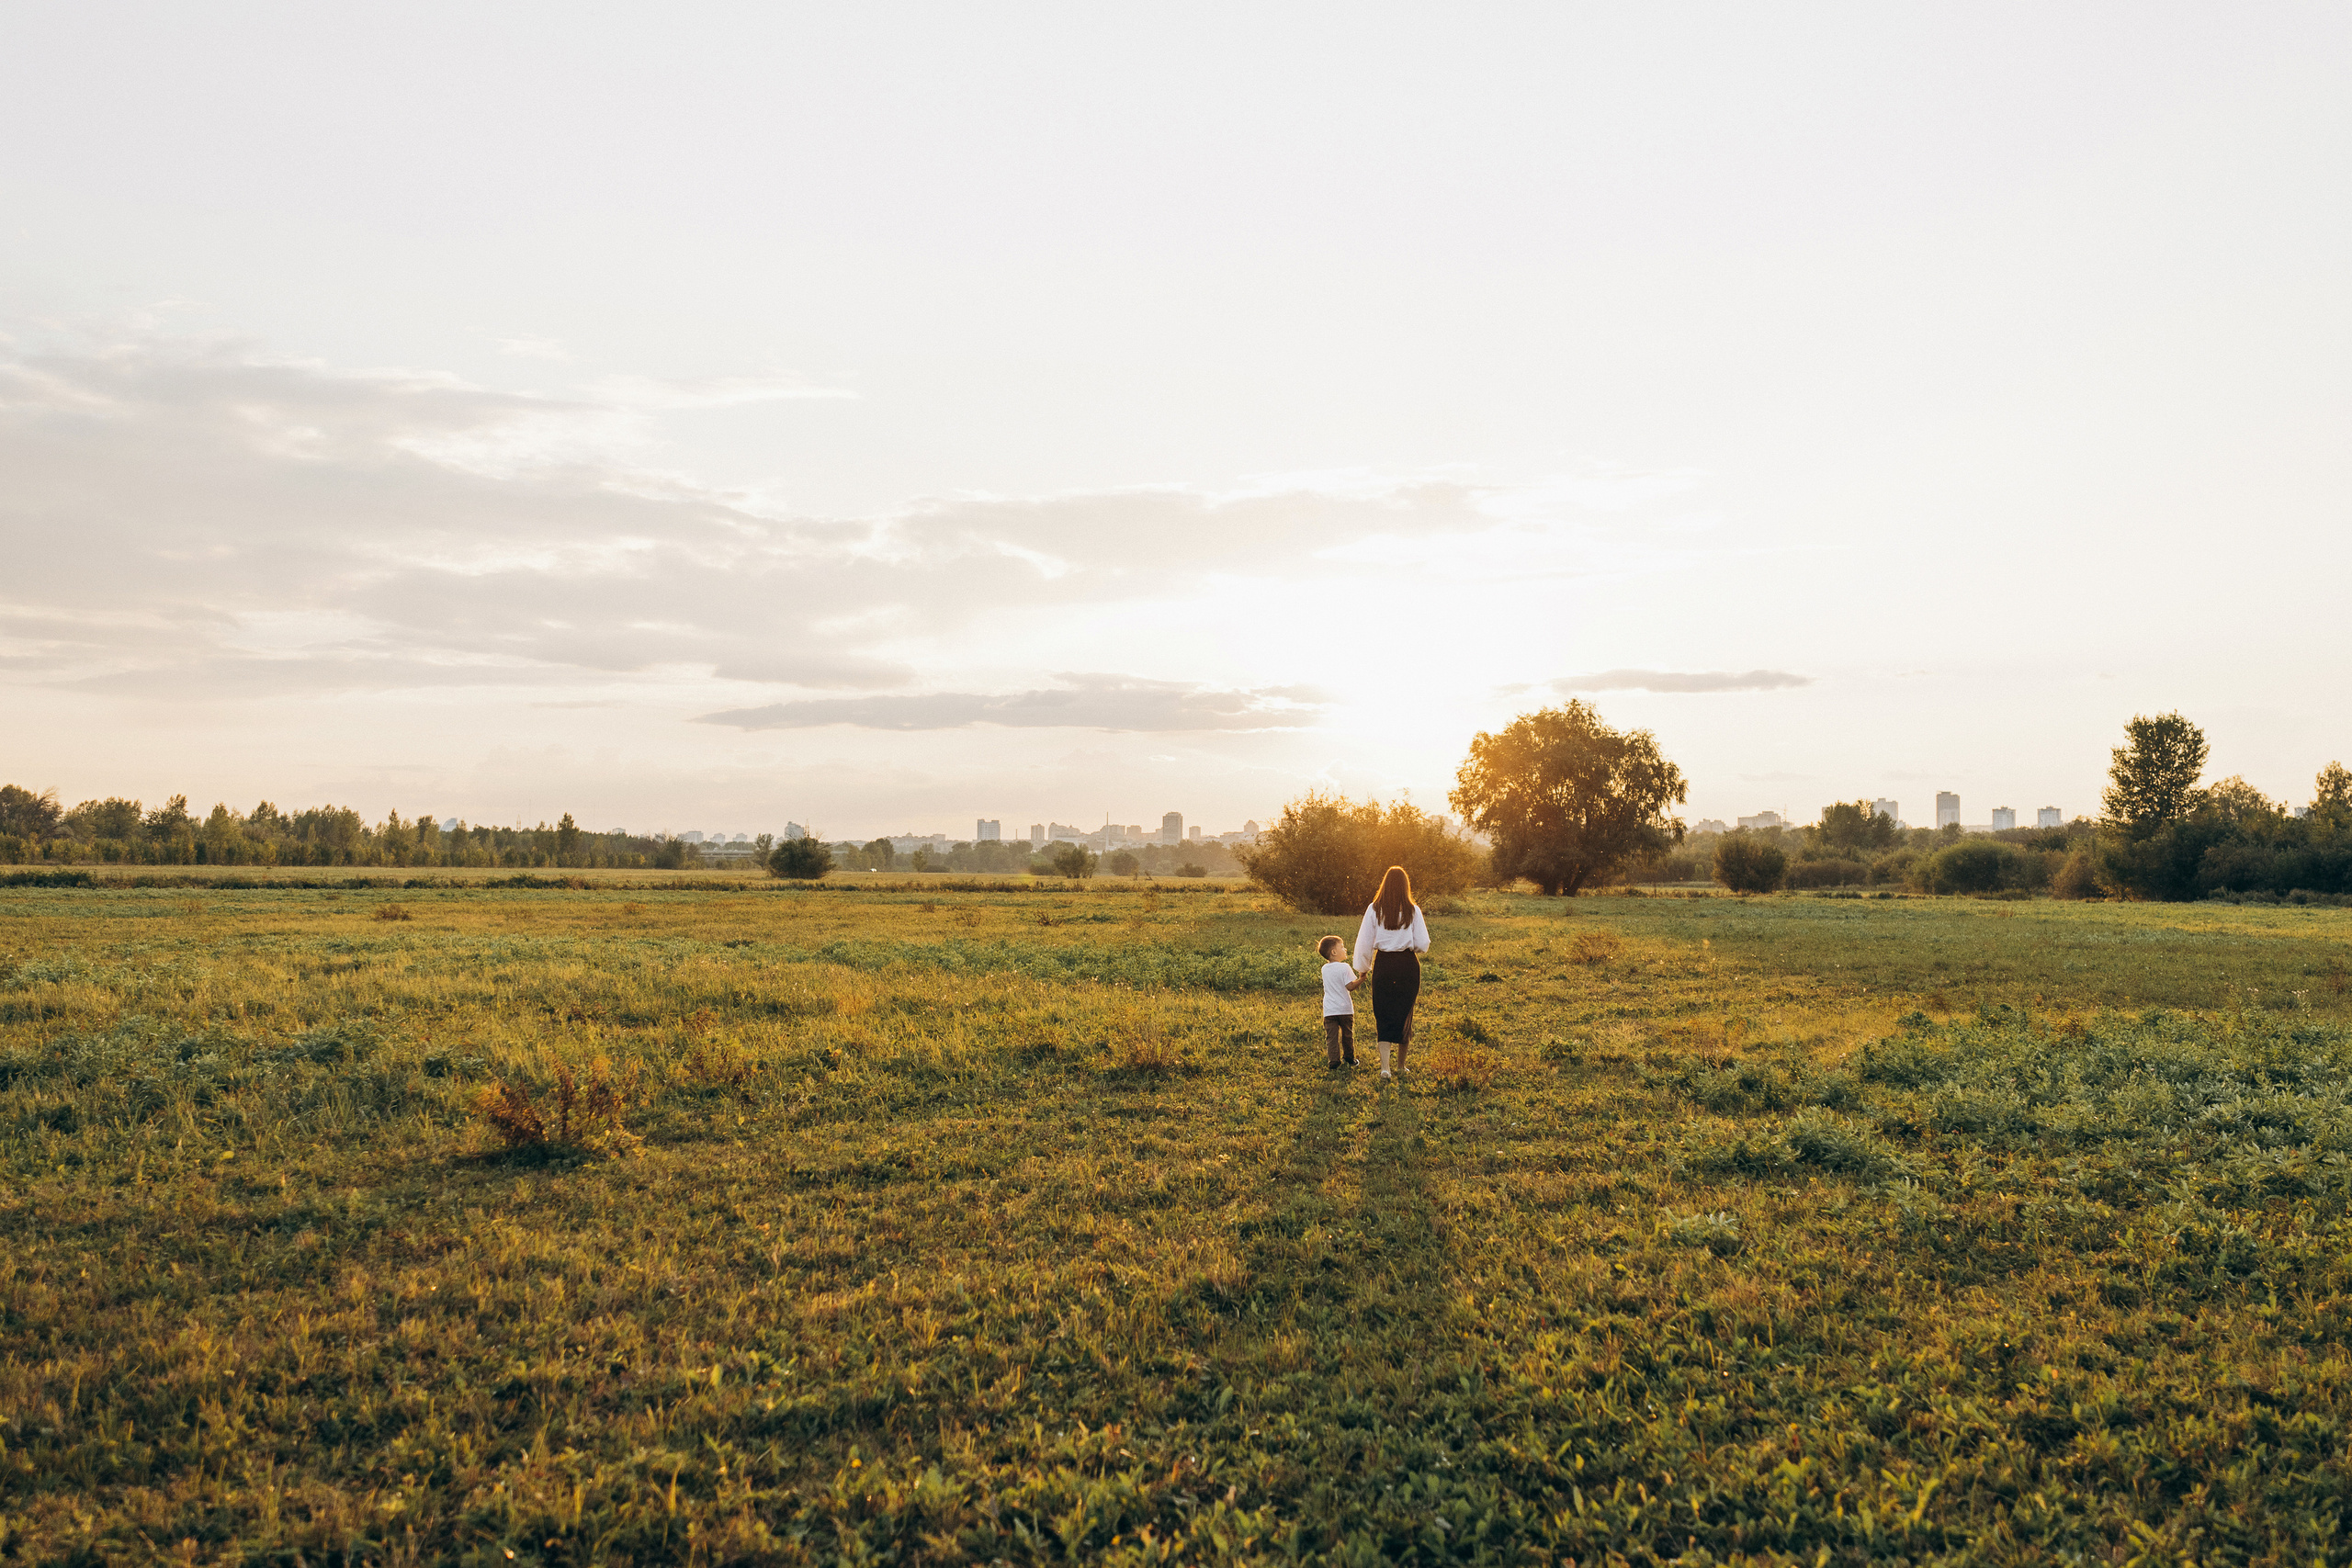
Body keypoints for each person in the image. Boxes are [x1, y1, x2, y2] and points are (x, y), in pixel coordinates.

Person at [1353, 865, 1430, 1079]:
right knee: (1405, 1013)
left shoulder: (1374, 909)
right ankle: (1401, 1066)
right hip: (1407, 964)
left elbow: (1364, 942)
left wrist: (1363, 969)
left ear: (1384, 885)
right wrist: (1408, 943)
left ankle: (1384, 1067)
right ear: (1406, 886)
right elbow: (1423, 944)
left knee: (1383, 1013)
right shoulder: (1413, 910)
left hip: (1384, 965)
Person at [1317, 934, 1361, 1068]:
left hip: (1329, 1010)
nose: (1345, 949)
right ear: (1334, 952)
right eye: (1342, 947)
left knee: (1331, 1037)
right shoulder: (1345, 967)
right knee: (1347, 1034)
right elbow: (1350, 986)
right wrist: (1362, 978)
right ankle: (1349, 1058)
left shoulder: (1324, 969)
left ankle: (1334, 1061)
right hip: (1345, 1009)